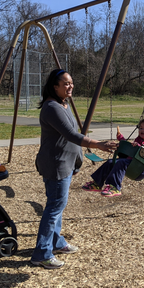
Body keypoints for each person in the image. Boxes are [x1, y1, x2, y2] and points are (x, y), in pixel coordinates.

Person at [31, 68, 117, 269]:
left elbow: (71, 138)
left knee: (57, 207)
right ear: (55, 86)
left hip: (65, 164)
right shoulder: (51, 107)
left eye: (71, 83)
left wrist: (77, 162)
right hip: (55, 165)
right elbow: (72, 135)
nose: (70, 86)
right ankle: (41, 254)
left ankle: (56, 243)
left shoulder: (63, 104)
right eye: (66, 83)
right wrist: (98, 145)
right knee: (54, 208)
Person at [82, 116, 144, 197]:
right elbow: (129, 147)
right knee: (110, 162)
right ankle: (97, 183)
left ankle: (114, 187)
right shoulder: (138, 139)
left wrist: (139, 146)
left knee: (121, 162)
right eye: (140, 128)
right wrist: (121, 139)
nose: (142, 130)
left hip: (139, 168)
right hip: (129, 164)